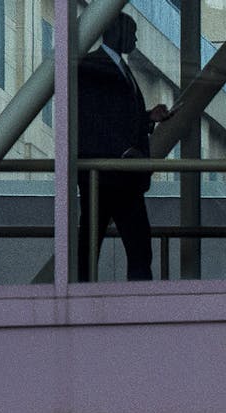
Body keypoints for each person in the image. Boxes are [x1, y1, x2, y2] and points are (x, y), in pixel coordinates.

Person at [77, 13, 171, 282]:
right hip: (106, 175)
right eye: (132, 32)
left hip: (122, 176)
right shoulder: (92, 66)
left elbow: (113, 117)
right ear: (115, 32)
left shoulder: (117, 67)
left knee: (134, 246)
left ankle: (134, 297)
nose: (136, 38)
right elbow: (92, 119)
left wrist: (147, 117)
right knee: (96, 245)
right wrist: (124, 150)